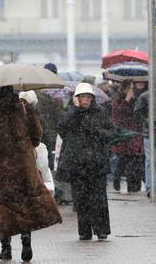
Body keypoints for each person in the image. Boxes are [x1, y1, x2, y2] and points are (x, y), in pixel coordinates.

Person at [0, 86, 62, 261]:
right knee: (24, 201)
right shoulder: (21, 105)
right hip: (22, 163)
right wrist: (26, 145)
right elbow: (36, 133)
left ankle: (5, 248)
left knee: (1, 203)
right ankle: (26, 237)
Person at [56, 83, 113, 240]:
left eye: (88, 97)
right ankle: (84, 231)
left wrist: (96, 131)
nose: (86, 100)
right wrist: (74, 110)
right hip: (77, 163)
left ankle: (101, 230)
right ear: (76, 98)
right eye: (82, 97)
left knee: (99, 199)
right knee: (81, 200)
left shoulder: (100, 112)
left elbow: (110, 132)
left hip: (96, 163)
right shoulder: (70, 111)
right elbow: (61, 128)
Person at [111, 79, 144, 192]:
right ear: (125, 89)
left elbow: (137, 113)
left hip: (134, 132)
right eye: (130, 87)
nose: (132, 90)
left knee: (134, 160)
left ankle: (133, 186)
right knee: (123, 159)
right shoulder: (118, 100)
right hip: (123, 133)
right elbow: (118, 113)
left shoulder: (135, 99)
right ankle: (117, 179)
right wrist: (126, 100)